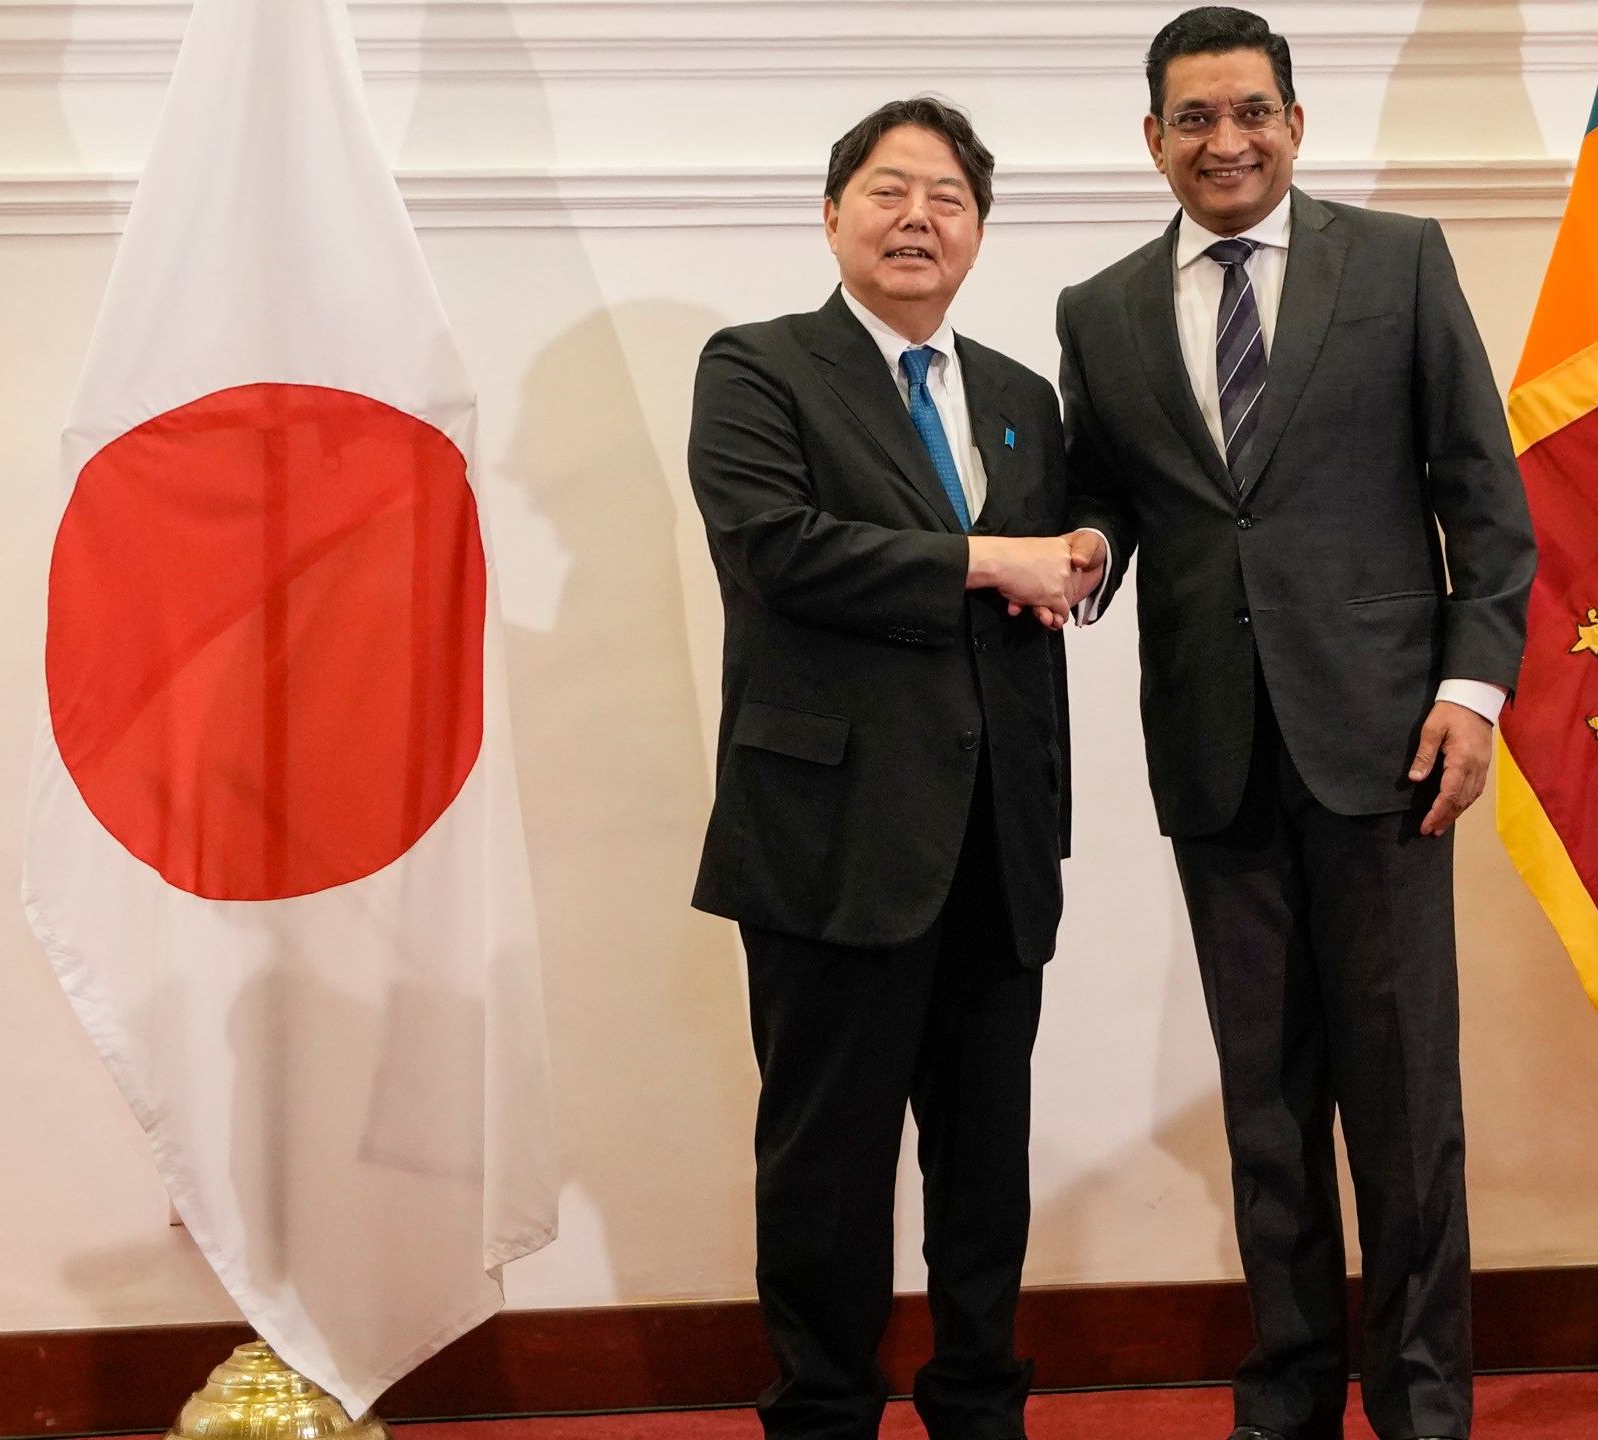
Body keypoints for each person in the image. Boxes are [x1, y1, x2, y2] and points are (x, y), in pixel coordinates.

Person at [1056, 9, 1537, 1439]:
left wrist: (1471, 692)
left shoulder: (1397, 265)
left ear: (1295, 123)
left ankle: (1423, 1403)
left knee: (1402, 1106)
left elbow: (1486, 506)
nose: (1227, 140)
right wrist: (1066, 553)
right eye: (1194, 118)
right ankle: (1285, 1398)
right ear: (1153, 141)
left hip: (1388, 747)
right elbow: (1111, 503)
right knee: (1266, 1107)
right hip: (1215, 754)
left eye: (1251, 111)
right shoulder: (1100, 310)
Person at [686, 97, 1091, 1440]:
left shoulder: (1024, 399)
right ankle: (821, 1415)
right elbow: (779, 549)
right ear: (833, 213)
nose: (918, 217)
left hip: (998, 837)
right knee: (828, 1163)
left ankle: (981, 1406)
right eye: (887, 189)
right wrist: (993, 559)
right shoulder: (757, 368)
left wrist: (1079, 560)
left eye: (949, 198)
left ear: (979, 230)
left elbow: (1052, 576)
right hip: (830, 834)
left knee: (988, 1165)